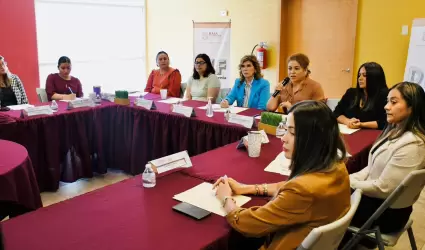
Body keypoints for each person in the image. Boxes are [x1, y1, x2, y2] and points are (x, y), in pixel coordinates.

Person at [214, 100, 351, 250]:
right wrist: (245, 188)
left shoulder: (303, 189)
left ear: (313, 139)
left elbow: (247, 224)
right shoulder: (337, 167)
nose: (283, 138)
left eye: (292, 132)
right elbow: (288, 186)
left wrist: (226, 198)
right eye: (286, 130)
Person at [345, 82, 425, 248]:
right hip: (379, 204)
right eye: (388, 101)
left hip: (386, 214)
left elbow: (383, 188)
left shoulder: (413, 144)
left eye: (394, 102)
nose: (387, 107)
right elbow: (371, 168)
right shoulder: (395, 132)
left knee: (323, 203)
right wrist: (347, 178)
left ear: (412, 107)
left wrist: (348, 183)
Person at [334, 62, 388, 129]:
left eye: (364, 75)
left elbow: (385, 122)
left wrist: (361, 124)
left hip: (371, 135)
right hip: (349, 132)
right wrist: (348, 121)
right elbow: (336, 113)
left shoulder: (384, 96)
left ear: (375, 77)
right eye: (359, 75)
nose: (360, 78)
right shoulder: (351, 93)